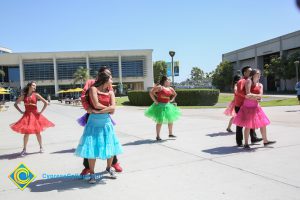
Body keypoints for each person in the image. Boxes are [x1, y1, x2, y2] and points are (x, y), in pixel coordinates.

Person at [75, 72, 123, 183]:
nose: (112, 81)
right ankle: (92, 173)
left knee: (109, 145)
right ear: (105, 80)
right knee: (92, 147)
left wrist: (98, 111)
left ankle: (109, 167)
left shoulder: (111, 92)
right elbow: (96, 104)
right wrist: (107, 108)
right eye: (111, 78)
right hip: (94, 123)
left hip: (106, 122)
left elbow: (113, 109)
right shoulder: (93, 89)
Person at [233, 69, 276, 149]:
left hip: (256, 107)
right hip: (247, 107)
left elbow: (260, 96)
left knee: (263, 124)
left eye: (259, 74)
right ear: (252, 75)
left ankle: (265, 141)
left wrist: (253, 96)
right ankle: (246, 143)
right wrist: (256, 96)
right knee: (248, 125)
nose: (259, 75)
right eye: (257, 74)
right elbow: (247, 94)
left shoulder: (260, 85)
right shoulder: (249, 81)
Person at [10, 81, 55, 156]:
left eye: (35, 86)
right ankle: (24, 149)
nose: (35, 87)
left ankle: (41, 147)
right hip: (27, 116)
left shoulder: (36, 94)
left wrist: (41, 112)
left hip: (35, 115)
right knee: (26, 133)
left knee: (38, 133)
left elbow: (46, 103)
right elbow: (15, 104)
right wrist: (21, 111)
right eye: (34, 85)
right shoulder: (24, 96)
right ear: (29, 86)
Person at [145, 76, 181, 141]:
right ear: (165, 81)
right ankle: (158, 136)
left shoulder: (170, 88)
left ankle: (170, 134)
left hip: (168, 106)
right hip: (160, 106)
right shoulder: (160, 87)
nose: (170, 81)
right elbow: (151, 92)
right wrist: (155, 100)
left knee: (171, 120)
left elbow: (175, 94)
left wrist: (172, 100)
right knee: (160, 121)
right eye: (168, 80)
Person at [234, 66, 262, 146]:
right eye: (249, 71)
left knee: (251, 121)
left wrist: (255, 98)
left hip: (248, 105)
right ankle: (239, 141)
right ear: (245, 73)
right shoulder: (242, 81)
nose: (252, 72)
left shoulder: (251, 81)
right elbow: (238, 92)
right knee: (240, 124)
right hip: (240, 105)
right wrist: (247, 96)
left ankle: (253, 138)